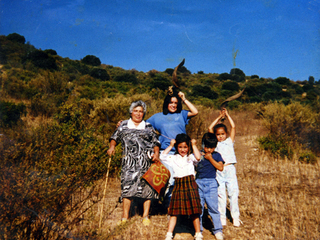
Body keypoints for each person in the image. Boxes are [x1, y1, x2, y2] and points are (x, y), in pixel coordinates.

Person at [107, 100, 161, 226]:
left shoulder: (148, 127)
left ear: (144, 113)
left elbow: (156, 143)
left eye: (141, 111)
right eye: (136, 111)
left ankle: (145, 216)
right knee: (127, 188)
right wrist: (112, 147)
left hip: (146, 162)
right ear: (131, 112)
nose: (138, 114)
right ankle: (125, 217)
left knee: (147, 189)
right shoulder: (124, 125)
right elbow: (114, 138)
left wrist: (156, 154)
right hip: (128, 162)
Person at [147, 90, 198, 209]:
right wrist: (123, 123)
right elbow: (143, 126)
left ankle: (170, 205)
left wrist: (184, 98)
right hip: (165, 153)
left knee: (178, 178)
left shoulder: (182, 114)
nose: (173, 105)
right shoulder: (157, 117)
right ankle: (162, 201)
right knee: (168, 177)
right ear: (166, 103)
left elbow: (195, 112)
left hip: (180, 153)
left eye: (176, 103)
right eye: (171, 102)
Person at [160, 134, 203, 240]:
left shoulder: (191, 157)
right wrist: (171, 145)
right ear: (176, 147)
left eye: (185, 147)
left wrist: (193, 145)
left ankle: (198, 233)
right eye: (180, 147)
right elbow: (162, 156)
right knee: (174, 212)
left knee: (194, 211)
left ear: (188, 147)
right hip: (178, 184)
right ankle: (169, 234)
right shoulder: (173, 158)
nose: (183, 150)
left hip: (190, 184)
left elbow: (198, 157)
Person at [208, 108, 241, 227]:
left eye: (222, 134)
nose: (220, 136)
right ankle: (222, 217)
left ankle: (235, 217)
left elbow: (233, 127)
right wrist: (218, 117)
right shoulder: (215, 145)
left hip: (230, 169)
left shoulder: (229, 141)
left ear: (225, 134)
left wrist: (227, 115)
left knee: (233, 193)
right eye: (218, 135)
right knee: (221, 194)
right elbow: (210, 128)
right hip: (219, 171)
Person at [196, 133, 224, 240]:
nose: (208, 150)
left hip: (211, 183)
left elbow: (220, 167)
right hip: (198, 182)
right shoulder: (198, 154)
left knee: (213, 207)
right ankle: (199, 230)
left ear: (215, 147)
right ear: (203, 144)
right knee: (199, 207)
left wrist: (210, 158)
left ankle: (218, 230)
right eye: (206, 147)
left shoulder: (217, 155)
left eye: (211, 148)